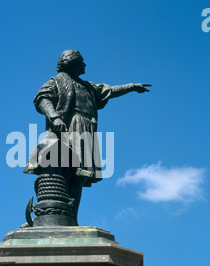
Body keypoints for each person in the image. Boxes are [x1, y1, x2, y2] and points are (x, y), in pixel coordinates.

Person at [24, 49, 151, 224]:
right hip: (68, 128)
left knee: (80, 175)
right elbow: (42, 99)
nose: (85, 64)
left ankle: (71, 218)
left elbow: (110, 90)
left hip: (86, 130)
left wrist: (131, 86)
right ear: (72, 62)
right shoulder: (57, 81)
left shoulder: (87, 86)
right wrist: (54, 117)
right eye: (82, 61)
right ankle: (50, 214)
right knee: (62, 170)